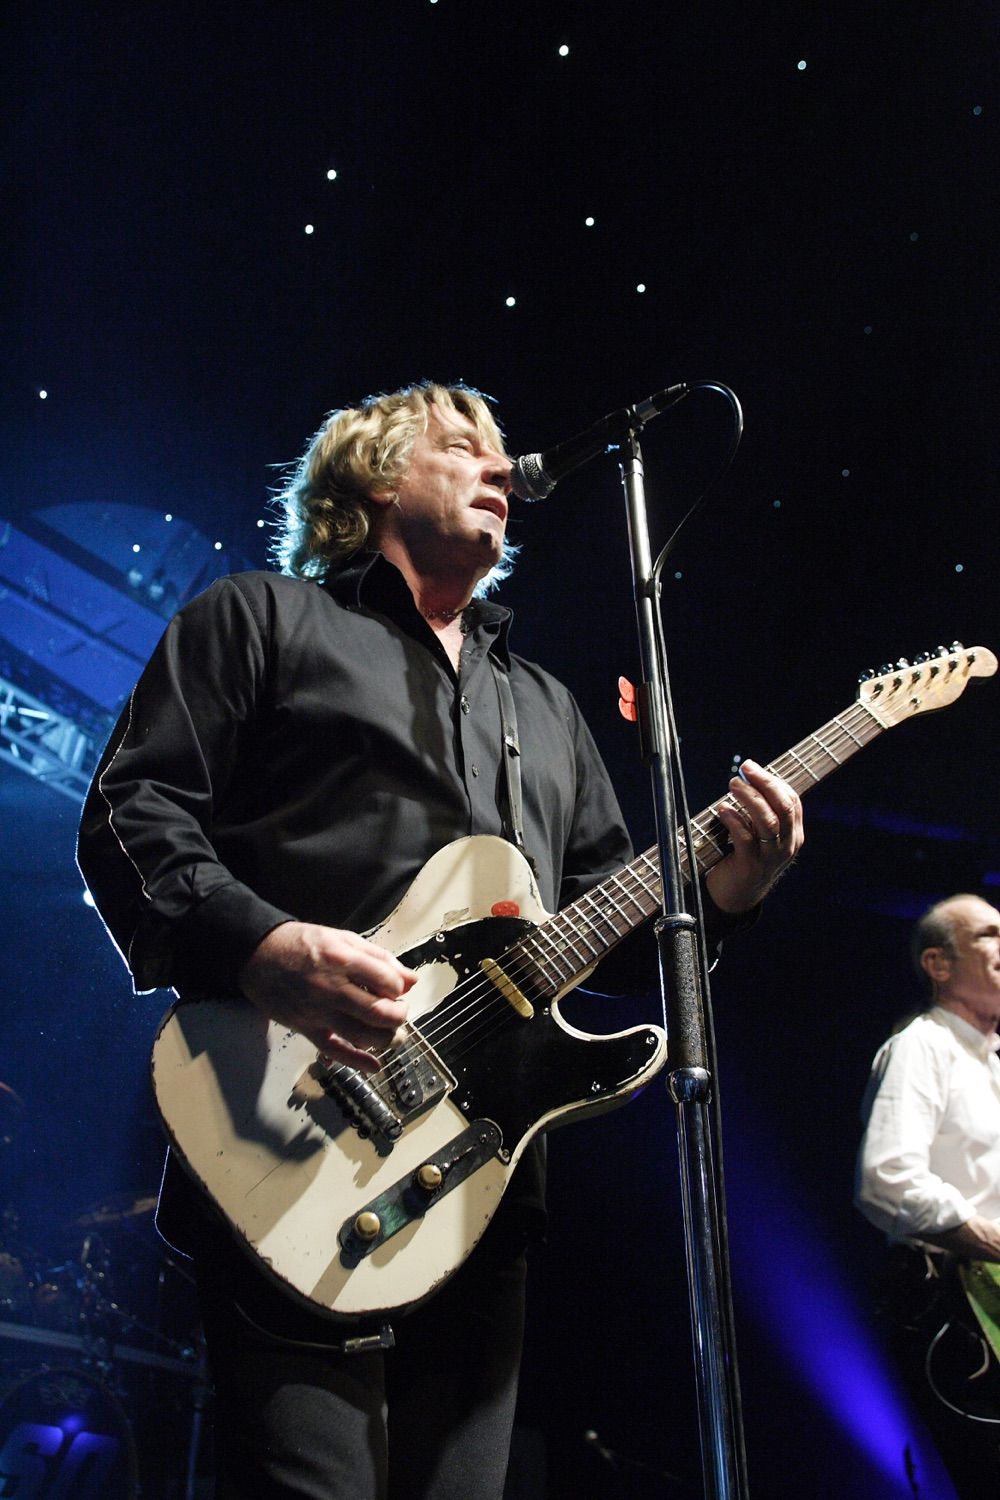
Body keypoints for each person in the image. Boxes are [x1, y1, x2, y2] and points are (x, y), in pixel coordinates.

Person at [77, 380, 804, 1500]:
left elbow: (606, 928)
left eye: (504, 452)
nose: (499, 468)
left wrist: (730, 892)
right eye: (464, 445)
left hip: (484, 1180)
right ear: (370, 478)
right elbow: (132, 811)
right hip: (288, 1130)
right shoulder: (261, 618)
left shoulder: (547, 708)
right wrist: (264, 949)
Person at [855, 893, 1000, 1496]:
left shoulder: (988, 1063)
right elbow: (886, 1180)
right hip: (956, 1313)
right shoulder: (922, 1046)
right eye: (990, 935)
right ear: (938, 965)